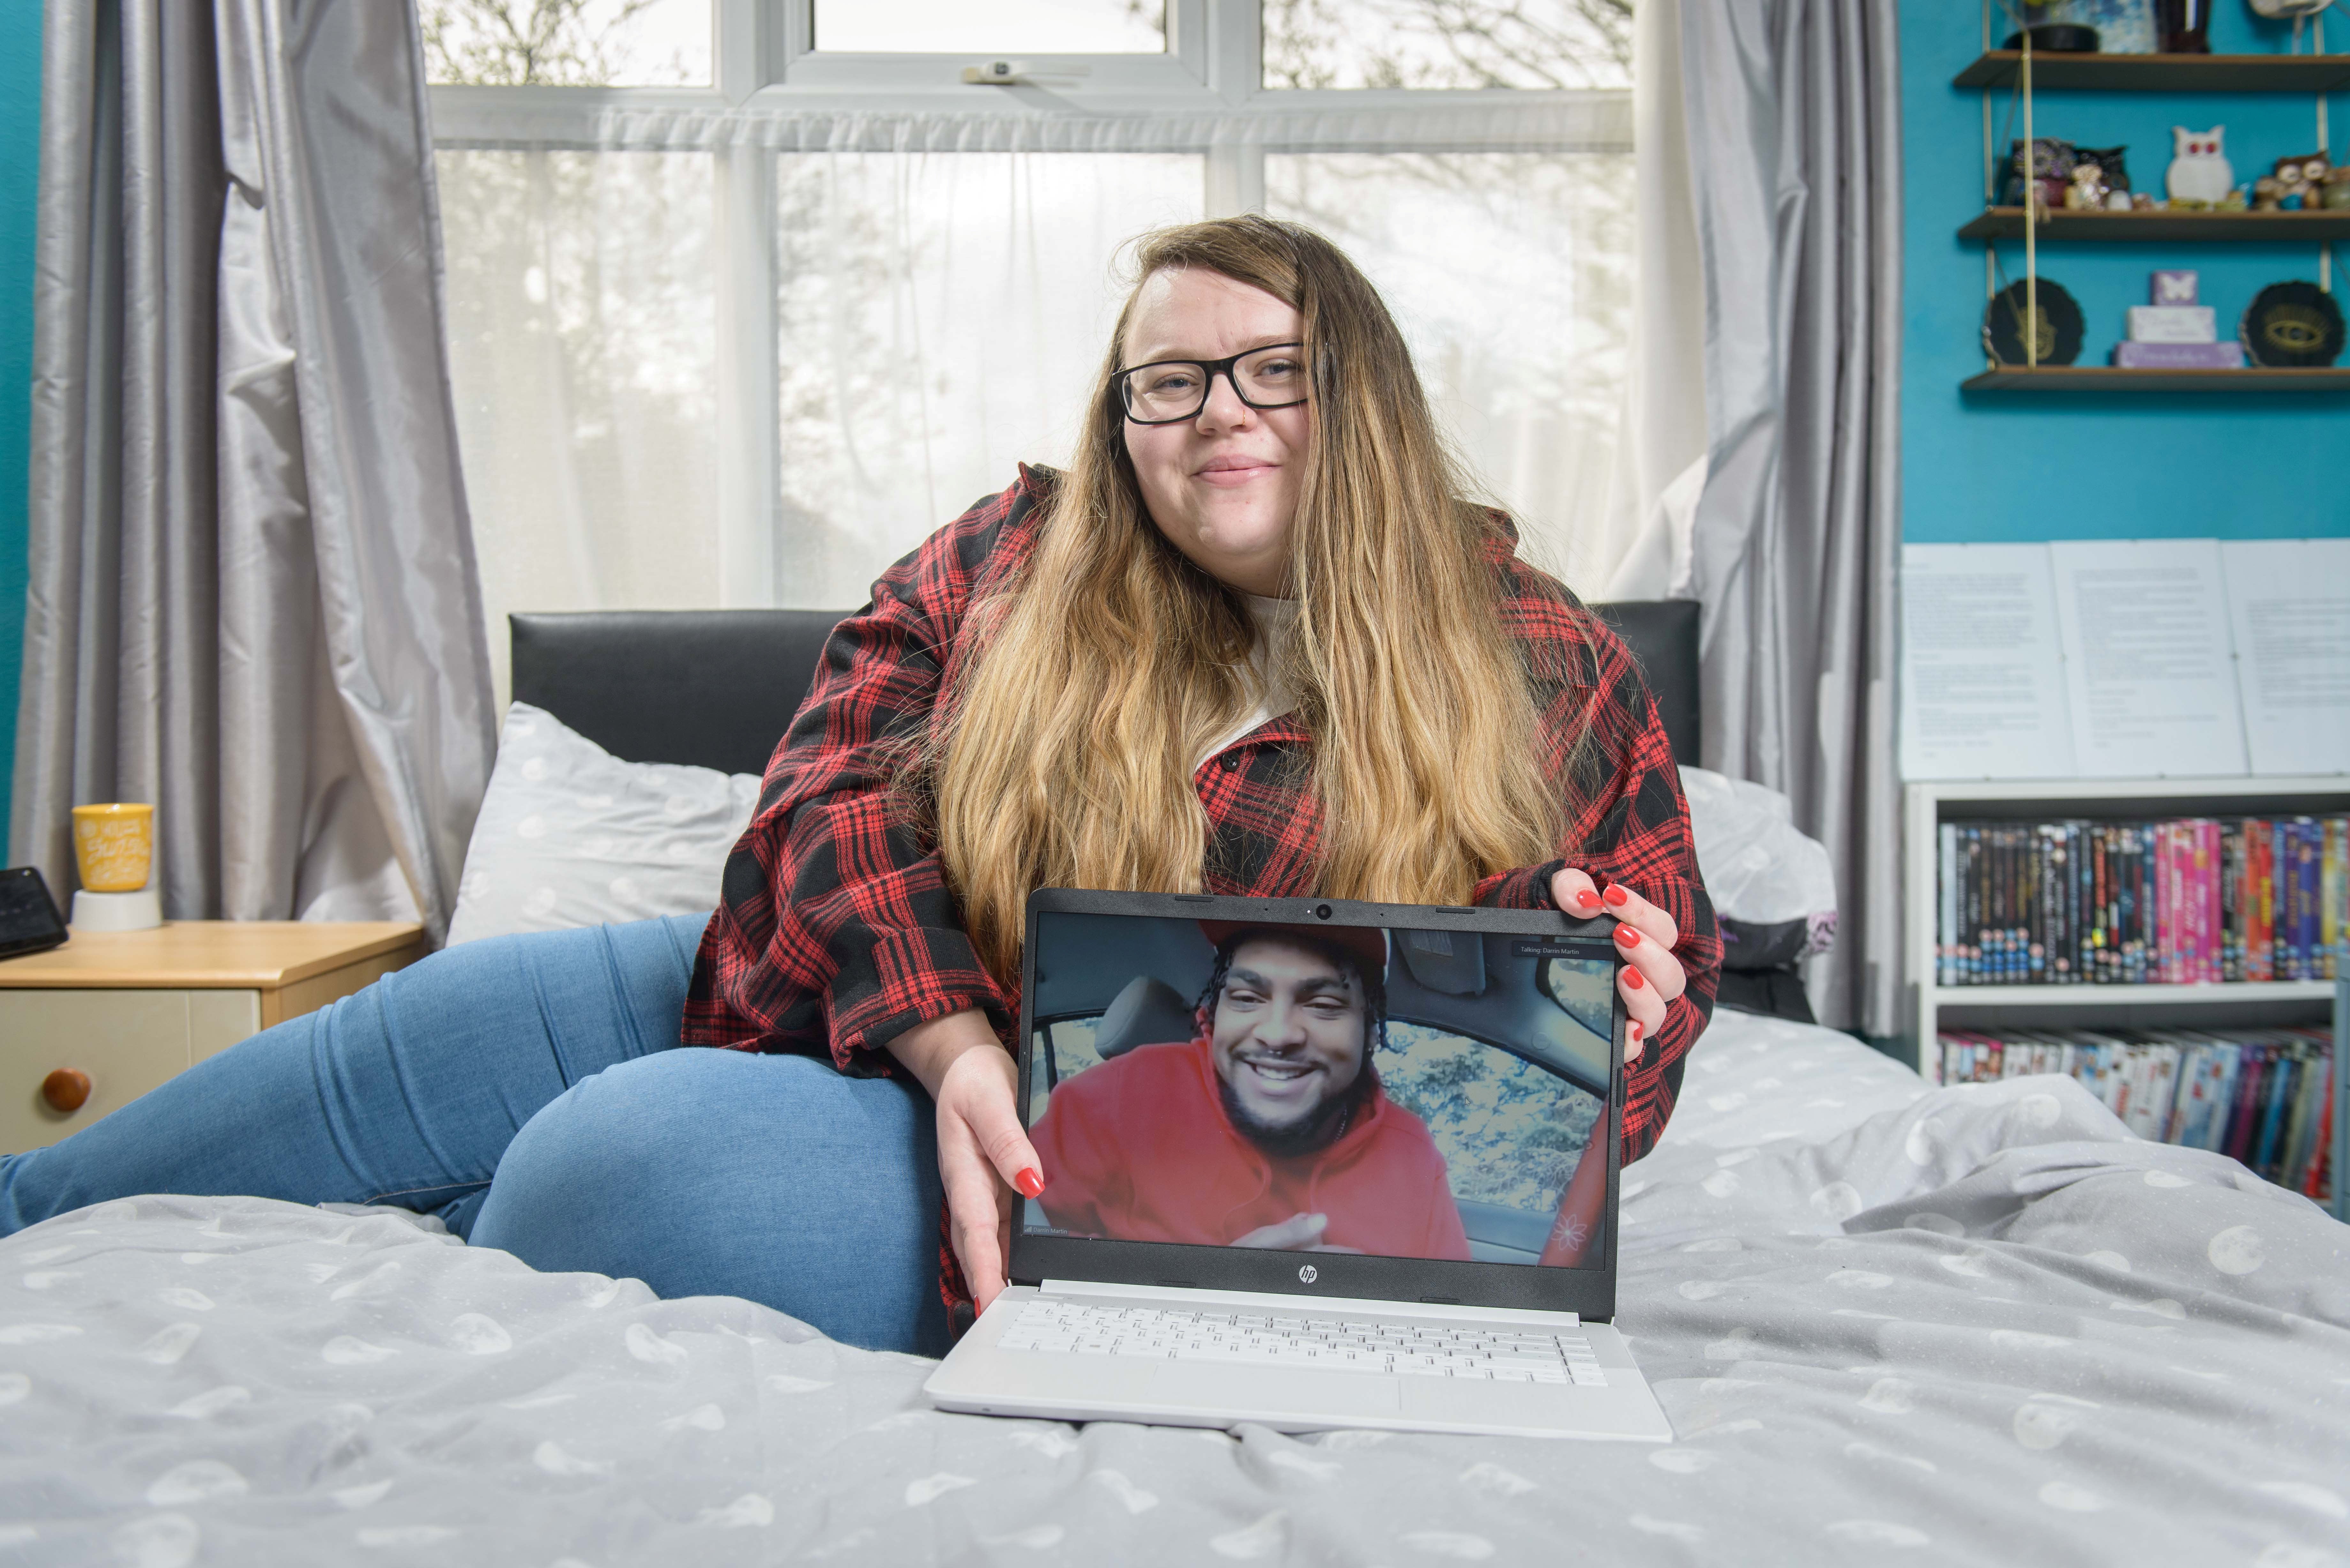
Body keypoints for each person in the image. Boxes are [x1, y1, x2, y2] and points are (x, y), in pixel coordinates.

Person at [0, 215, 1717, 1355]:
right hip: (823, 1002)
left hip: (1083, 1167)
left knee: (606, 1171)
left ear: (1366, 391)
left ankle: (418, 1249)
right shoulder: (1013, 555)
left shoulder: (1546, 664)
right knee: (395, 1044)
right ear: (1124, 417)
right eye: (1170, 381)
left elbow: (1608, 1076)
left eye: (1277, 367)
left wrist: (1600, 996)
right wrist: (957, 1040)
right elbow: (821, 811)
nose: (1220, 414)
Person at [1028, 923, 1473, 1261]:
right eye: (1247, 998)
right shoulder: (1114, 1097)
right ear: (1216, 1013)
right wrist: (1207, 1289)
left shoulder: (1413, 1155)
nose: (1277, 1035)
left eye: (1324, 1006)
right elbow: (1015, 1252)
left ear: (1371, 1033)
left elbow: (1452, 1319)